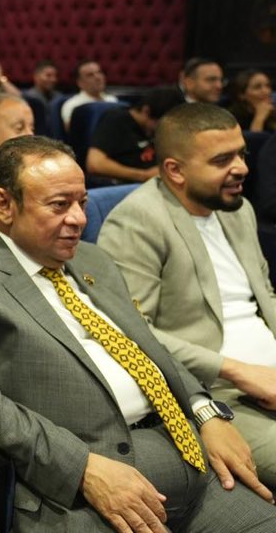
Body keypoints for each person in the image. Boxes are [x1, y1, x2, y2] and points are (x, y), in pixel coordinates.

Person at [0, 135, 276, 531]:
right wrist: (81, 467)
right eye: (59, 205)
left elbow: (148, 346)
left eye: (82, 203)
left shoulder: (92, 258)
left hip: (191, 461)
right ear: (4, 204)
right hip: (84, 493)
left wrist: (205, 412)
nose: (79, 219)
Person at [98, 103, 276, 486]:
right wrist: (240, 371)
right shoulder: (137, 221)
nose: (242, 168)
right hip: (220, 392)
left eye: (241, 154)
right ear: (175, 170)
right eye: (222, 160)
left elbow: (266, 295)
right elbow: (133, 332)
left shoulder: (236, 208)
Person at [85, 87, 180, 184]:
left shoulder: (154, 128)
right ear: (146, 111)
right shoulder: (115, 120)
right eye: (159, 124)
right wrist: (143, 175)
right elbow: (95, 164)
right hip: (125, 184)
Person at [60, 59, 118, 131]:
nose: (98, 77)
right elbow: (73, 134)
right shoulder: (72, 105)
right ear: (80, 83)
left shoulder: (112, 100)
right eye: (90, 75)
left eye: (99, 72)